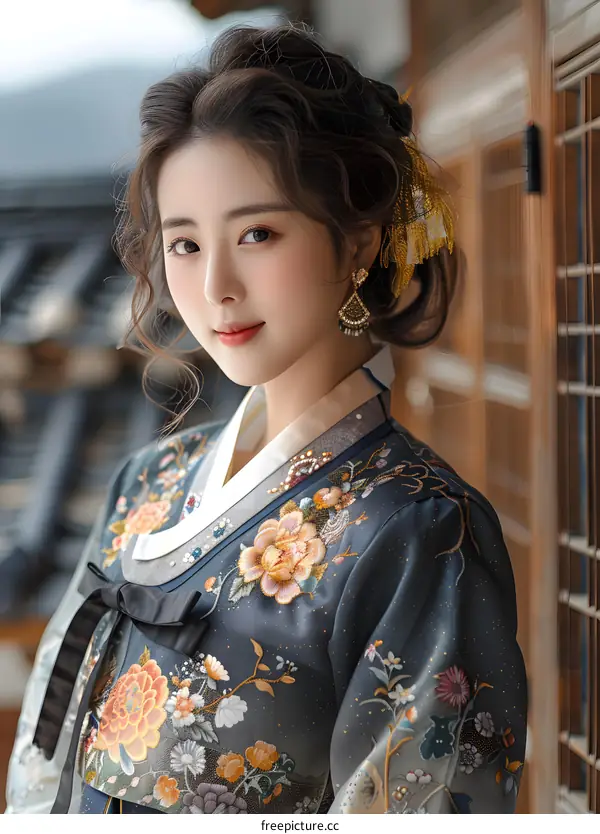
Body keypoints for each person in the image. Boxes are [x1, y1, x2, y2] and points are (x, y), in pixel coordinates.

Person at [5, 23, 527, 815]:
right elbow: (42, 771)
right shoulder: (148, 481)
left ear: (358, 240)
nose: (215, 285)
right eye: (183, 243)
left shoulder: (419, 530)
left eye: (257, 233)